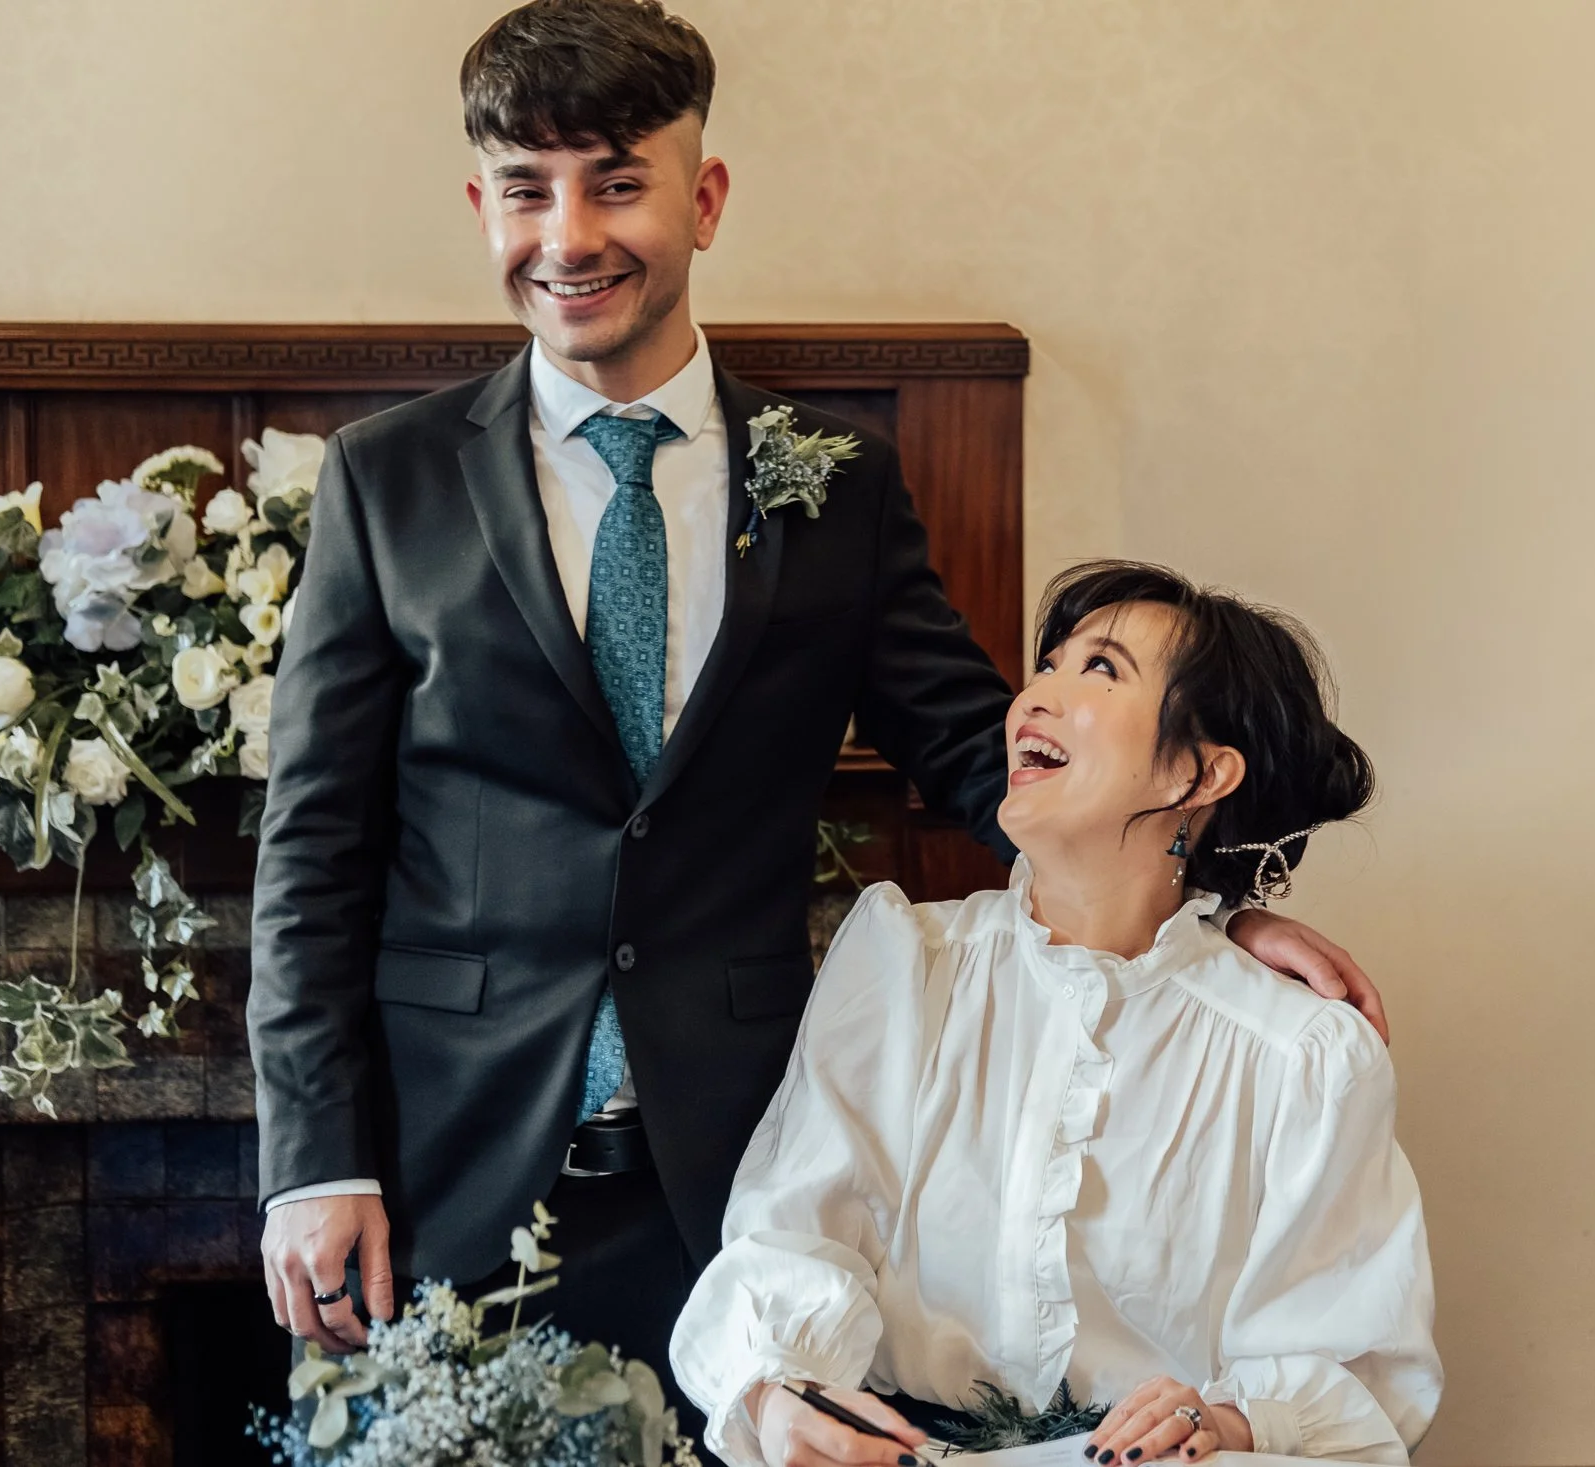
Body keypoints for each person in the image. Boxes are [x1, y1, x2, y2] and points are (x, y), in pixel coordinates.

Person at [246, 0, 1389, 1403]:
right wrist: (315, 1155)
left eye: (617, 182)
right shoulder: (386, 480)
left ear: (704, 198)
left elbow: (987, 752)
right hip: (444, 1166)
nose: (569, 236)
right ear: (481, 204)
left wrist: (1212, 906)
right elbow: (312, 844)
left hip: (739, 1179)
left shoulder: (836, 477)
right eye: (527, 191)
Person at [672, 562, 1440, 1467]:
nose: (1035, 695)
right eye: (1047, 664)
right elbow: (796, 1236)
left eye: (1101, 669)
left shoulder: (1303, 1054)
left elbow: (1350, 1363)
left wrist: (1223, 1422)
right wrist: (778, 1397)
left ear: (1200, 771)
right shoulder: (906, 967)